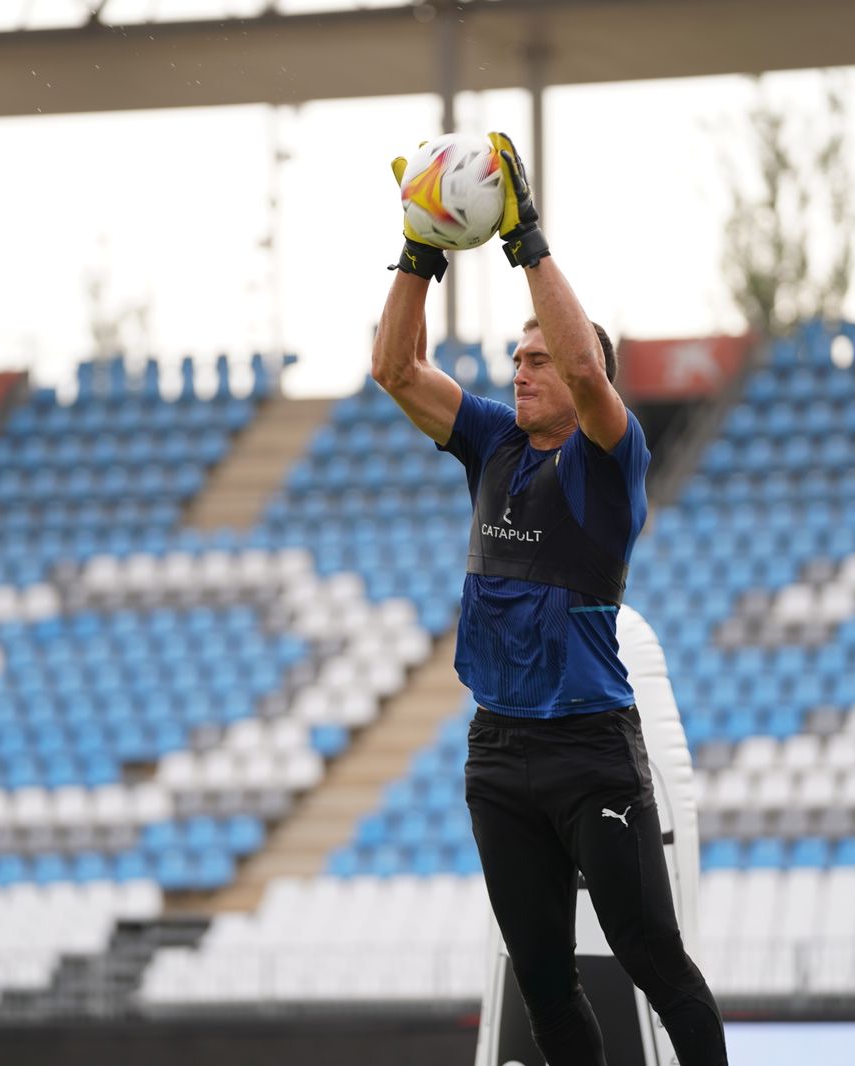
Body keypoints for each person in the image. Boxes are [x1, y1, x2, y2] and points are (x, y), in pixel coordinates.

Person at [370, 132, 729, 1066]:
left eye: (539, 359)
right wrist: (419, 249)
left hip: (589, 750)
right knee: (543, 980)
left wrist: (526, 243)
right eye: (516, 358)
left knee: (653, 959)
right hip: (498, 749)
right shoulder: (491, 442)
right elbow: (395, 370)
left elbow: (584, 372)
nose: (521, 369)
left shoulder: (609, 461)